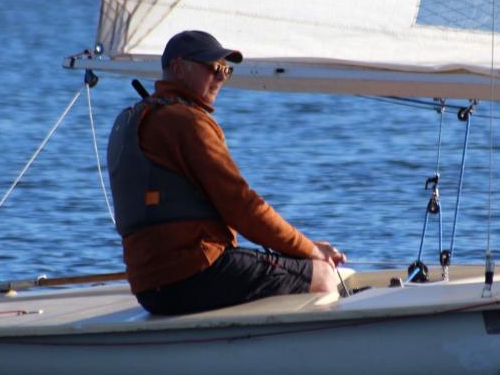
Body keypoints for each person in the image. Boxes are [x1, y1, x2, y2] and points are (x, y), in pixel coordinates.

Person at [107, 30, 346, 315]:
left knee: (286, 266)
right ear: (178, 68)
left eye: (226, 70)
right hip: (194, 274)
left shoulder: (134, 119)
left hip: (150, 289)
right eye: (213, 67)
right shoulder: (187, 123)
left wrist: (299, 250)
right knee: (321, 275)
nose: (221, 77)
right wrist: (311, 251)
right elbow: (243, 207)